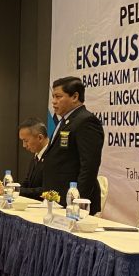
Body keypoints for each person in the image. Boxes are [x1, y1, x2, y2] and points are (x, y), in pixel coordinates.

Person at [40, 76, 104, 214]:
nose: (53, 101)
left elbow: (89, 166)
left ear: (75, 97)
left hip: (73, 204)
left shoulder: (86, 121)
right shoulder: (65, 121)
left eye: (58, 97)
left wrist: (77, 203)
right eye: (53, 97)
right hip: (58, 200)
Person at [17, 118, 49, 199]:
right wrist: (10, 189)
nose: (24, 145)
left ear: (40, 138)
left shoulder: (53, 157)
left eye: (26, 141)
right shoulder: (36, 157)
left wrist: (17, 191)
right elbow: (27, 183)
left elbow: (47, 190)